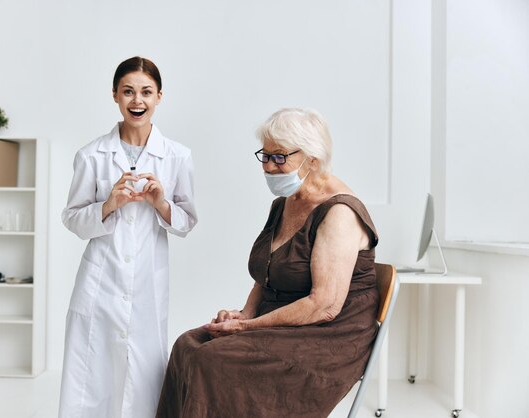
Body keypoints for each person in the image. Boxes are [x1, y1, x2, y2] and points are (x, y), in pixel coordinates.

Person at [156, 108, 379, 418]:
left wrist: (246, 326)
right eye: (266, 156)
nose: (270, 167)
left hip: (328, 337)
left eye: (280, 157)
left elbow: (324, 305)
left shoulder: (339, 212)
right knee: (188, 345)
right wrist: (243, 313)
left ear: (312, 159)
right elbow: (266, 275)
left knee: (213, 359)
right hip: (283, 321)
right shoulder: (286, 202)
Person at [59, 56, 198, 418]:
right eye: (129, 92)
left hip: (148, 284)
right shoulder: (91, 156)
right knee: (93, 377)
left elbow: (186, 221)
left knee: (143, 377)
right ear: (115, 96)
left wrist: (160, 203)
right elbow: (73, 219)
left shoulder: (178, 157)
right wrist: (108, 204)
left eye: (146, 92)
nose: (137, 101)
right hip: (99, 283)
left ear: (159, 97)